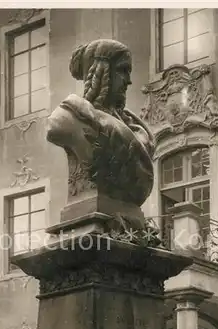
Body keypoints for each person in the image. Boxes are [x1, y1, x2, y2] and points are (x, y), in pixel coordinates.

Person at [47, 39, 155, 207]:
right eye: (122, 70)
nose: (128, 81)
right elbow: (54, 129)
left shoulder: (134, 126)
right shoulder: (70, 117)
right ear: (101, 71)